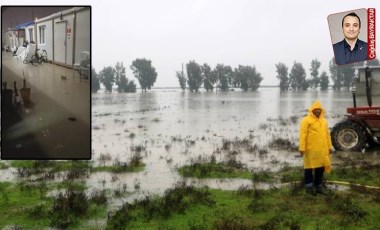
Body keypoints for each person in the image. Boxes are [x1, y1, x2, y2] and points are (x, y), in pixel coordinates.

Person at [299, 100, 333, 195]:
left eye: (319, 109)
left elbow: (327, 135)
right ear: (312, 110)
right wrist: (302, 148)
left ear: (321, 110)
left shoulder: (324, 121)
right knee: (309, 168)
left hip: (322, 150)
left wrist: (330, 147)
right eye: (316, 109)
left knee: (320, 168)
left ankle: (319, 186)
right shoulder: (306, 120)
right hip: (311, 150)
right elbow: (303, 135)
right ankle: (309, 187)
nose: (318, 111)